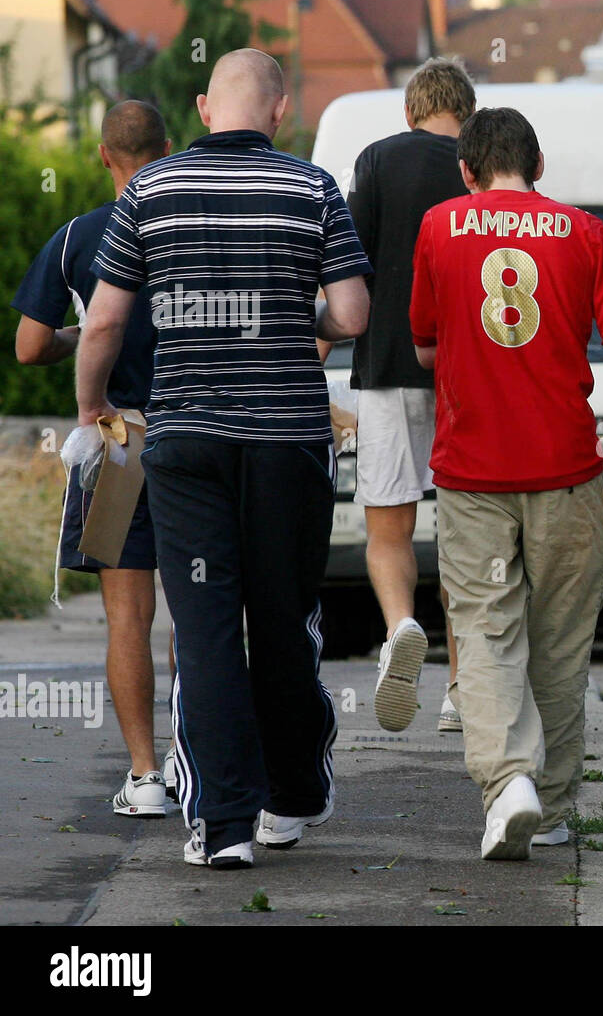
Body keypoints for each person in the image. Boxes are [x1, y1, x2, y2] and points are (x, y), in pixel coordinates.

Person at [76, 49, 371, 869]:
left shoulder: (150, 190)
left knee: (204, 629)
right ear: (279, 112)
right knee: (284, 620)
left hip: (186, 446)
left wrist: (91, 407)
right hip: (286, 443)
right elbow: (351, 311)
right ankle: (292, 799)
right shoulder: (312, 188)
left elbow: (101, 324)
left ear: (206, 106)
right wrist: (286, 303)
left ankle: (221, 824)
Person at [409, 107, 603, 860]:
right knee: (558, 639)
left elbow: (423, 347)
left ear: (467, 169)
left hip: (472, 472)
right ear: (539, 163)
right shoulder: (585, 233)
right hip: (569, 470)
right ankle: (548, 803)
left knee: (486, 629)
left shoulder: (439, 226)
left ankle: (506, 781)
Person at [12, 100, 171, 816]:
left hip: (116, 443)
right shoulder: (188, 229)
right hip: (199, 433)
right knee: (206, 614)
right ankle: (210, 764)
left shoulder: (77, 236)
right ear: (168, 150)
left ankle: (145, 775)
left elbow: (29, 346)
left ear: (105, 157)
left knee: (127, 618)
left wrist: (85, 336)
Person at [345, 58, 474, 734]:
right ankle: (459, 685)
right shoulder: (478, 163)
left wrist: (313, 362)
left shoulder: (375, 161)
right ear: (468, 112)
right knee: (462, 533)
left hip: (387, 368)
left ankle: (400, 626)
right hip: (465, 376)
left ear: (410, 111)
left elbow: (347, 272)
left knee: (388, 529)